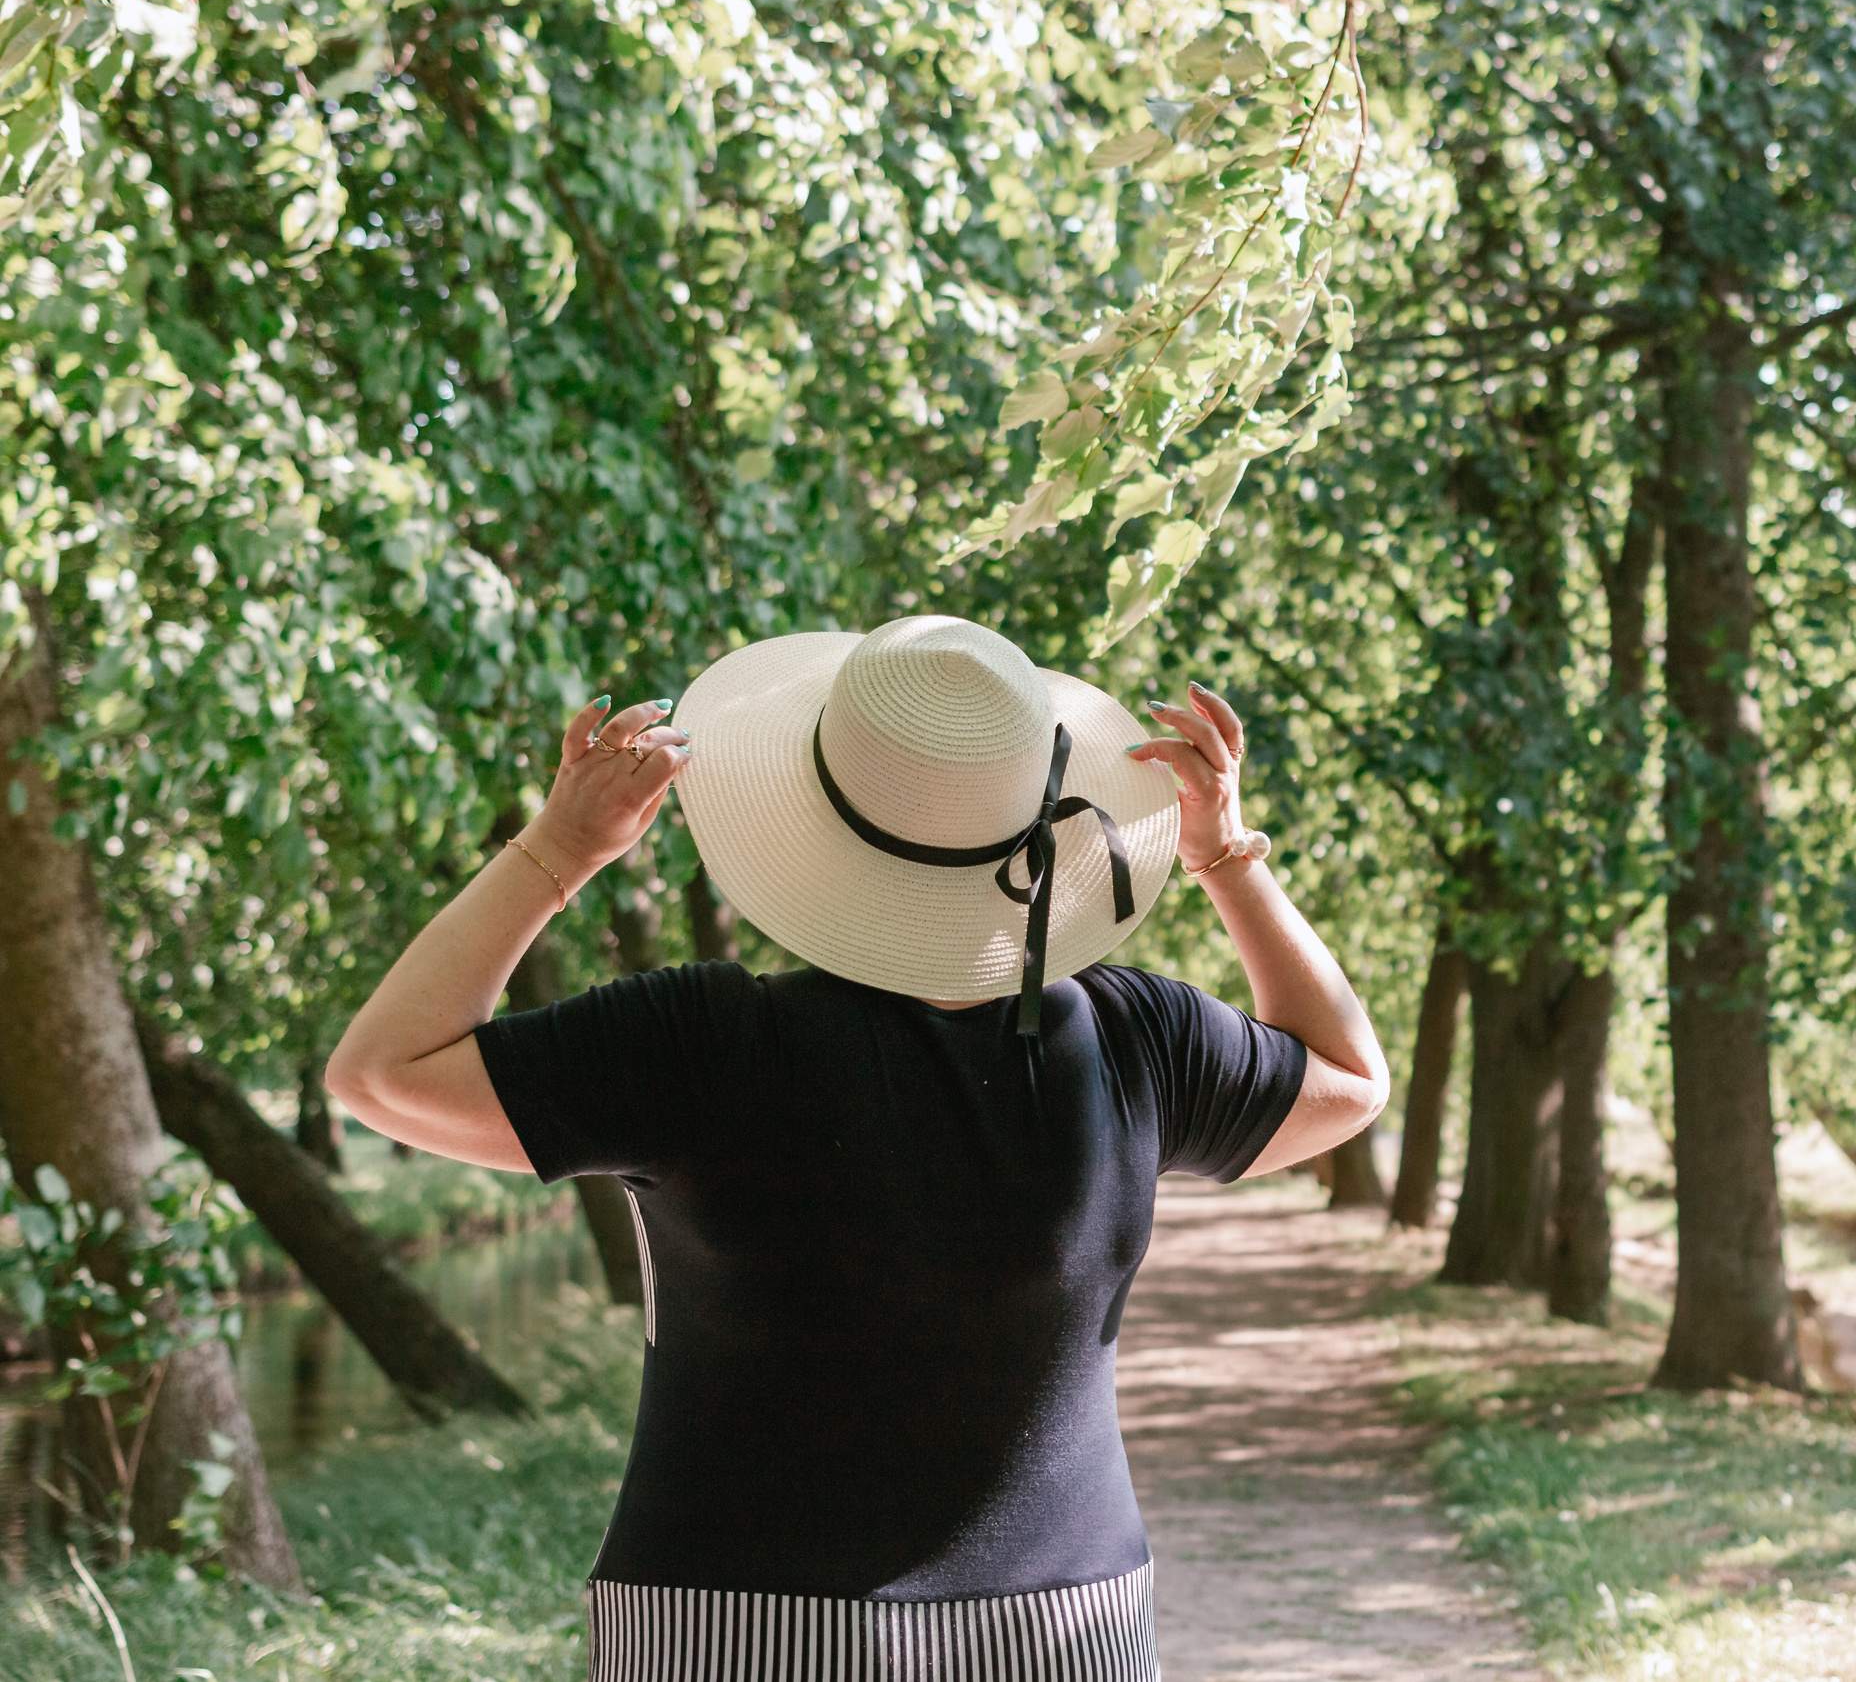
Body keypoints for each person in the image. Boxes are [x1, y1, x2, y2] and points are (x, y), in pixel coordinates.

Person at [328, 614, 1390, 1681]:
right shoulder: (1134, 1040)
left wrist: (558, 853)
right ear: (1042, 815)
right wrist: (1224, 859)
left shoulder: (696, 1042)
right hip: (1061, 1633)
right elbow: (1348, 1079)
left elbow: (379, 1073)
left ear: (809, 810)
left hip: (726, 1639)